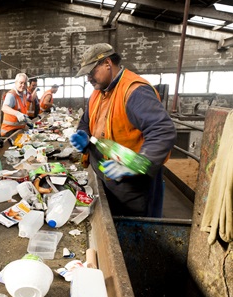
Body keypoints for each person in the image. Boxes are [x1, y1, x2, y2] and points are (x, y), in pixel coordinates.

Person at [70, 43, 176, 218]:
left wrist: (136, 164)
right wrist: (84, 135)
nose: (89, 78)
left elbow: (162, 131)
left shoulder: (135, 91)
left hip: (131, 185)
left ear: (107, 63)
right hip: (106, 176)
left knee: (134, 229)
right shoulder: (98, 92)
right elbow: (85, 121)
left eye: (91, 72)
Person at [0, 73, 31, 137]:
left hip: (18, 129)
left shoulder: (23, 94)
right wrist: (17, 113)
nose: (23, 85)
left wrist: (26, 122)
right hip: (9, 131)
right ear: (16, 82)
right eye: (21, 83)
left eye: (25, 83)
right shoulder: (11, 95)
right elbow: (4, 108)